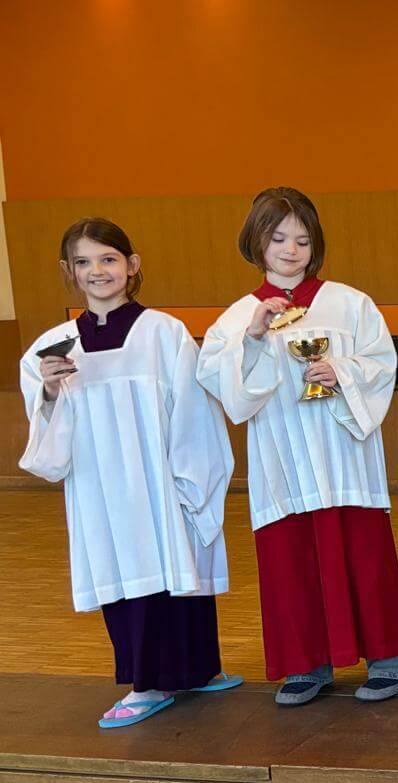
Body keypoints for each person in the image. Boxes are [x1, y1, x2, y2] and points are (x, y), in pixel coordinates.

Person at [198, 187, 398, 706]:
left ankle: (390, 658)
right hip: (282, 458)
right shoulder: (236, 317)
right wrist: (253, 338)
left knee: (363, 554)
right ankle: (305, 664)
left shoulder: (349, 303)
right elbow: (222, 385)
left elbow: (383, 362)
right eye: (278, 238)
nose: (290, 250)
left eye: (301, 239)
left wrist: (342, 371)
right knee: (290, 561)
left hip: (343, 454)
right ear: (256, 240)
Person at [20, 218, 239, 727]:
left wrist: (189, 480)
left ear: (132, 264)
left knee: (180, 566)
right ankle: (148, 683)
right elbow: (48, 440)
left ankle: (196, 669)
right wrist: (49, 390)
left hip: (160, 477)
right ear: (68, 271)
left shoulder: (163, 333)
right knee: (127, 572)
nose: (97, 271)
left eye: (108, 259)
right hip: (99, 486)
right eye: (83, 262)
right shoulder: (52, 347)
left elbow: (193, 411)